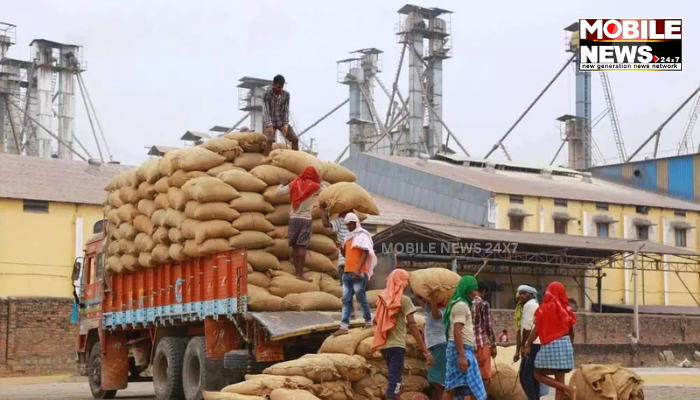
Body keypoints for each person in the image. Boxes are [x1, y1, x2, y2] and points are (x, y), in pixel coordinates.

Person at [372, 269, 434, 400]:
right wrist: (425, 351)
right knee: (393, 386)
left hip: (385, 347)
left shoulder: (383, 299)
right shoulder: (404, 300)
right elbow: (412, 325)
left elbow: (375, 321)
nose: (408, 284)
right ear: (401, 282)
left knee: (395, 381)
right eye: (406, 281)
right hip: (397, 347)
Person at [523, 282, 577, 400]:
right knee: (560, 380)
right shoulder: (566, 309)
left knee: (537, 374)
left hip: (551, 344)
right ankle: (566, 389)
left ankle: (569, 389)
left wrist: (527, 345)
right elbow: (571, 331)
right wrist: (570, 346)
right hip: (566, 343)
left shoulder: (544, 308)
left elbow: (536, 329)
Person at [442, 275, 487, 400]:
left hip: (458, 348)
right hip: (461, 349)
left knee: (453, 386)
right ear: (468, 289)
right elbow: (457, 330)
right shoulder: (461, 305)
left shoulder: (457, 303)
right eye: (474, 289)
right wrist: (462, 356)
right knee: (476, 389)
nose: (476, 292)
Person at [275, 165, 323, 281]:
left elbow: (278, 193)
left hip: (294, 218)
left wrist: (282, 184)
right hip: (305, 219)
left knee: (295, 246)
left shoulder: (294, 183)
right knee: (302, 246)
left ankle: (297, 272)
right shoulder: (315, 186)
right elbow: (327, 193)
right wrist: (320, 183)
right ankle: (300, 274)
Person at [333, 212, 376, 335]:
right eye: (346, 225)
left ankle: (368, 321)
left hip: (358, 273)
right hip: (347, 272)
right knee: (346, 299)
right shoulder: (349, 238)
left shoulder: (362, 235)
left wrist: (357, 269)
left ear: (355, 223)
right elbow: (346, 255)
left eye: (349, 224)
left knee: (360, 298)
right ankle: (344, 326)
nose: (347, 227)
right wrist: (340, 248)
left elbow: (364, 253)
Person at [320, 202, 355, 318]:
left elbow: (325, 224)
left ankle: (349, 310)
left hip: (344, 261)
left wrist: (323, 209)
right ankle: (351, 309)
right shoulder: (357, 224)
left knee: (345, 286)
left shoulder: (341, 221)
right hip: (354, 261)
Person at [515, 285, 549, 400]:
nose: (521, 296)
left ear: (531, 294)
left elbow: (527, 328)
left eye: (524, 293)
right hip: (536, 344)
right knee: (531, 376)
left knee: (526, 376)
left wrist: (525, 345)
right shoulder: (531, 306)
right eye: (520, 293)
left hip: (533, 345)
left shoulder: (530, 305)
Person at [416, 295, 447, 400]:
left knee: (439, 381)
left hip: (440, 346)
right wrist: (419, 293)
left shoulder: (443, 310)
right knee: (436, 381)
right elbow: (421, 301)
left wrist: (433, 298)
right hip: (433, 347)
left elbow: (436, 315)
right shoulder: (428, 309)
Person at [262, 74, 299, 155]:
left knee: (295, 139)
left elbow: (286, 110)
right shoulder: (267, 95)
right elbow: (266, 111)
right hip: (271, 122)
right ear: (273, 85)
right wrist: (269, 125)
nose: (280, 90)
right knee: (269, 140)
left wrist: (285, 124)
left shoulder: (286, 95)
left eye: (281, 87)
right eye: (278, 87)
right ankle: (266, 159)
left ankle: (295, 157)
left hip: (281, 122)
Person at [472, 280, 497, 385]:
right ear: (483, 291)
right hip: (480, 344)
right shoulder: (483, 304)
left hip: (468, 345)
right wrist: (494, 344)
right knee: (484, 377)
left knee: (471, 376)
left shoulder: (465, 302)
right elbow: (487, 326)